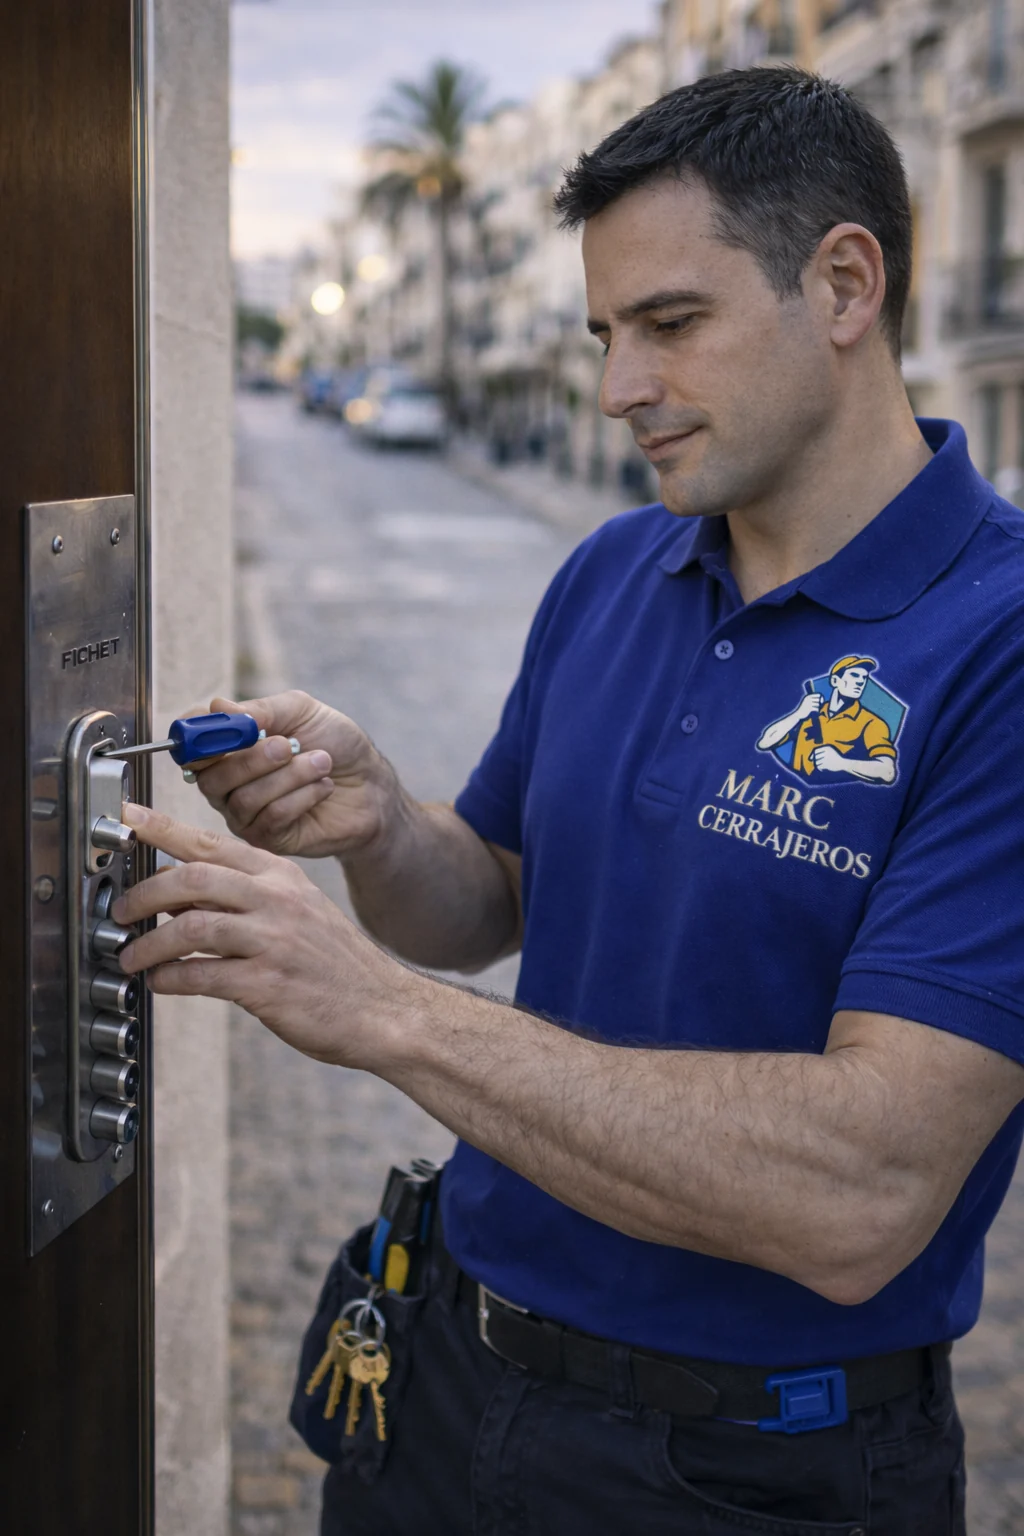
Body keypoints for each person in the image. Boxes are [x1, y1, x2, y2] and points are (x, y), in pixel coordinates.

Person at [115, 67, 1024, 1534]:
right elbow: (484, 902)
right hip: (443, 1381)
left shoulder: (1000, 642)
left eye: (671, 324)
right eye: (607, 335)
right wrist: (380, 821)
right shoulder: (616, 567)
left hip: (753, 1475)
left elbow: (865, 1192)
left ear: (845, 284)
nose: (620, 390)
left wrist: (380, 1011)